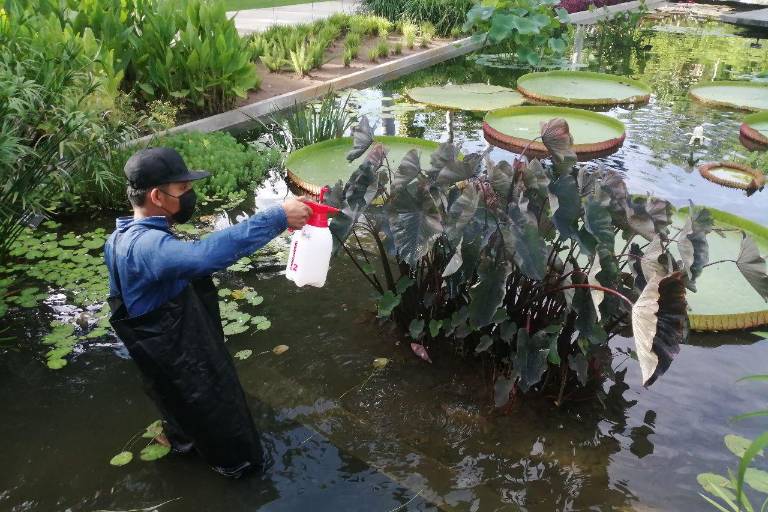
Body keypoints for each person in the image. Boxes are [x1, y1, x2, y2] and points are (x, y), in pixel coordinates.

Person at [104, 147, 312, 477]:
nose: (190, 196)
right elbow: (200, 258)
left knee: (181, 414)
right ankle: (241, 477)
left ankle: (184, 445)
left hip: (161, 360)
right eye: (183, 190)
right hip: (186, 364)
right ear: (157, 196)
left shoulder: (120, 236)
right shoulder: (147, 247)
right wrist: (277, 217)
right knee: (233, 444)